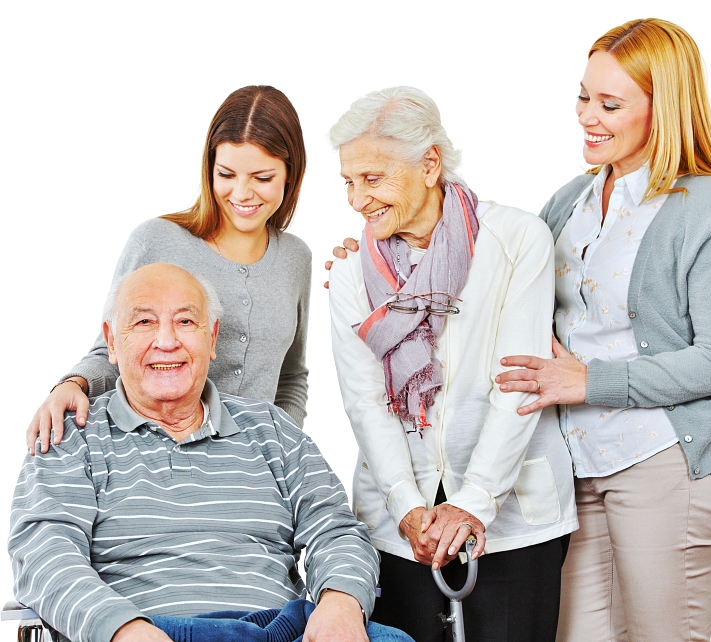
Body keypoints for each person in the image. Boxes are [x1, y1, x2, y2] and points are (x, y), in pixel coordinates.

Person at [327, 18, 711, 642]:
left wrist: (592, 381)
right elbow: (481, 275)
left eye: (611, 104)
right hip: (576, 470)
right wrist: (375, 265)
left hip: (658, 461)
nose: (589, 116)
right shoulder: (571, 203)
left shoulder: (704, 206)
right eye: (585, 97)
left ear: (663, 111)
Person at [9, 263, 414, 642]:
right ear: (112, 341)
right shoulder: (70, 435)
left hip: (281, 627)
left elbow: (335, 531)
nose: (166, 342)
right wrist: (122, 630)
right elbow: (45, 555)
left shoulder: (272, 430)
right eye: (144, 321)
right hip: (146, 628)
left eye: (185, 321)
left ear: (212, 337)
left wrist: (341, 603)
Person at [325, 86, 578, 642]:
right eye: (349, 181)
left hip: (515, 523)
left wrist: (473, 502)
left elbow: (518, 383)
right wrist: (408, 506)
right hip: (396, 525)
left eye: (373, 179)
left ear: (430, 164)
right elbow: (365, 404)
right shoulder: (347, 274)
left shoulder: (516, 238)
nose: (358, 200)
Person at [27, 85, 312, 456]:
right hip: (155, 458)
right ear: (208, 167)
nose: (241, 193)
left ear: (290, 174)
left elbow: (292, 377)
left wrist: (280, 448)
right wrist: (73, 384)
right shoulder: (155, 240)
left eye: (262, 178)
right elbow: (114, 346)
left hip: (254, 471)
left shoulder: (296, 257)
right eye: (226, 174)